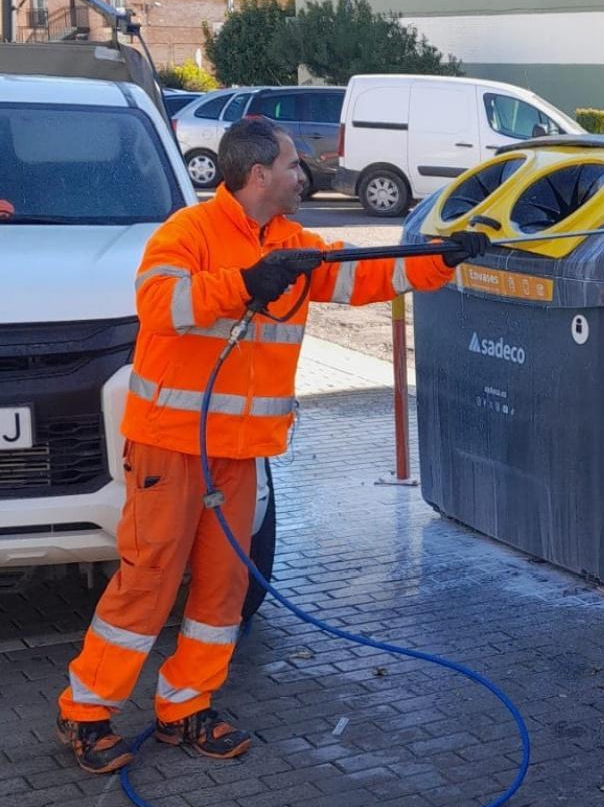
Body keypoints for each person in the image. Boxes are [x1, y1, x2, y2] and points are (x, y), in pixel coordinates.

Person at [54, 116, 489, 773]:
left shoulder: (294, 243)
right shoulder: (188, 233)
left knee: (224, 585)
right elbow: (159, 303)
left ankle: (187, 703)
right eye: (292, 164)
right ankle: (86, 710)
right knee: (149, 579)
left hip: (238, 451)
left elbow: (360, 276)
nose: (302, 174)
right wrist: (245, 281)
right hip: (171, 445)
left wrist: (438, 258)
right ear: (257, 174)